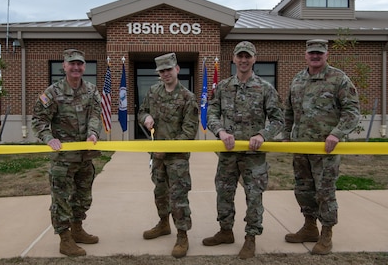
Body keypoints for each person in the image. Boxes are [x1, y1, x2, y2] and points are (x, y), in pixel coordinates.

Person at [202, 41, 284, 259]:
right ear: (234, 59)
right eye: (240, 56)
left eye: (248, 56)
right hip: (228, 154)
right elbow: (211, 113)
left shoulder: (266, 88)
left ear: (254, 59)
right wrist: (220, 131)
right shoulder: (224, 87)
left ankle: (251, 237)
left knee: (254, 196)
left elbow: (278, 120)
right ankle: (225, 231)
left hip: (253, 156)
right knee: (224, 193)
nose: (244, 60)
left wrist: (262, 135)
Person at [283, 39, 360, 255]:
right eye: (312, 53)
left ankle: (326, 234)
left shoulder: (339, 79)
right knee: (303, 189)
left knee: (325, 192)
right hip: (300, 147)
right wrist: (286, 136)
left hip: (325, 150)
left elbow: (352, 112)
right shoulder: (298, 79)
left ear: (326, 55)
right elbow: (288, 111)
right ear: (306, 55)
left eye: (319, 53)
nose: (315, 56)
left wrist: (337, 133)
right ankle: (309, 227)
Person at [32, 49, 103, 257]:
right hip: (62, 159)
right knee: (61, 199)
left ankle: (77, 230)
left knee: (83, 197)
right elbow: (38, 120)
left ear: (84, 67)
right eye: (72, 64)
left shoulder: (91, 90)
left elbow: (95, 116)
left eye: (79, 64)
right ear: (64, 66)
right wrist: (48, 138)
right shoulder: (52, 93)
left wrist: (92, 133)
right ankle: (65, 240)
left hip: (85, 157)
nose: (76, 67)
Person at [138, 52, 199, 258]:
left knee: (178, 197)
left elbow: (189, 132)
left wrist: (168, 148)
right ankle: (164, 223)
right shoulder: (153, 92)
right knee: (160, 192)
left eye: (168, 70)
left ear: (177, 70)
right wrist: (146, 117)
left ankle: (182, 235)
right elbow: (142, 111)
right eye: (161, 71)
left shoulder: (187, 98)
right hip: (157, 155)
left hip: (177, 158)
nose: (165, 74)